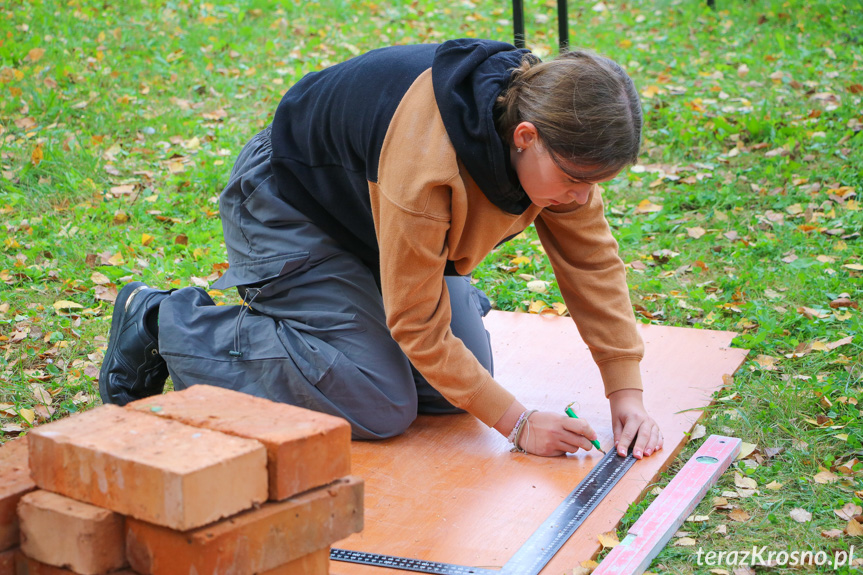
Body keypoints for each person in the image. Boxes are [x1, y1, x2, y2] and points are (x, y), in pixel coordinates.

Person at [99, 38, 663, 459]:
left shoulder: (553, 136)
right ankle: (162, 321)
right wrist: (518, 424)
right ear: (525, 138)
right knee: (379, 402)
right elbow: (417, 325)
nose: (583, 197)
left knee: (448, 393)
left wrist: (626, 391)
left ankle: (380, 303)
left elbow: (592, 263)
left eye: (596, 184)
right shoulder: (429, 163)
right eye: (576, 180)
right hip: (290, 206)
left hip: (371, 218)